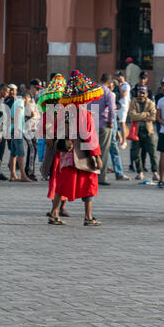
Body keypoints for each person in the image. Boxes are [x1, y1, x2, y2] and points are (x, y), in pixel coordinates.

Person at [48, 70, 104, 226]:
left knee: (63, 183)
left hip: (67, 154)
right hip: (83, 155)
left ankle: (54, 213)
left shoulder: (63, 111)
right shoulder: (85, 114)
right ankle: (88, 217)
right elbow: (90, 137)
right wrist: (97, 156)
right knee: (90, 185)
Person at [37, 73, 69, 216]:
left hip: (65, 147)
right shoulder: (49, 109)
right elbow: (44, 128)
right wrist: (48, 136)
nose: (57, 99)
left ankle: (62, 207)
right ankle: (56, 208)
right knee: (54, 177)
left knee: (65, 176)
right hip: (52, 148)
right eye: (55, 96)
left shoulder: (67, 109)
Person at [90, 73, 116, 186]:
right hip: (104, 125)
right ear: (110, 83)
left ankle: (89, 174)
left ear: (100, 79)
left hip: (91, 123)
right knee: (103, 151)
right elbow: (112, 109)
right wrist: (110, 121)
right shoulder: (108, 93)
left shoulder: (92, 91)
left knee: (90, 150)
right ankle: (100, 177)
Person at [130, 86, 159, 181]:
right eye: (140, 92)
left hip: (148, 131)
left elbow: (153, 117)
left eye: (143, 93)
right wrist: (146, 114)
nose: (141, 95)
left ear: (146, 94)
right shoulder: (134, 102)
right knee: (136, 153)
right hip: (136, 132)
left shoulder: (150, 103)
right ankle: (140, 172)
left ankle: (155, 172)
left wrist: (140, 117)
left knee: (152, 153)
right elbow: (132, 116)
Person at [9, 91, 33, 182]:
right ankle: (23, 175)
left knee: (13, 153)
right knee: (21, 153)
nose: (28, 103)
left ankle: (13, 174)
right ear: (26, 98)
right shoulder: (20, 103)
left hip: (13, 129)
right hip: (17, 130)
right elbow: (17, 115)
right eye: (29, 101)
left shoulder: (16, 102)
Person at [24, 79, 42, 181]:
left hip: (31, 127)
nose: (38, 91)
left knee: (33, 148)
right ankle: (29, 172)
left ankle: (28, 170)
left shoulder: (32, 98)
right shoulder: (26, 97)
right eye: (36, 88)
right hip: (27, 127)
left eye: (39, 89)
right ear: (31, 86)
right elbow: (27, 112)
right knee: (32, 148)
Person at [115, 71, 131, 149]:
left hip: (123, 107)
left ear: (123, 77)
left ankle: (124, 141)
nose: (118, 78)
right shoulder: (118, 85)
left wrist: (119, 86)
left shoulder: (126, 85)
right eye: (117, 76)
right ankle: (120, 138)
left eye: (119, 76)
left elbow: (123, 95)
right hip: (117, 106)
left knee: (122, 124)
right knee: (116, 123)